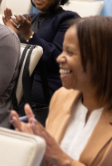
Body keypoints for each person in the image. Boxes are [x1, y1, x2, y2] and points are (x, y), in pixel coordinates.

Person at [10, 16, 112, 166]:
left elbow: (57, 158)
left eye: (70, 53)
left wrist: (62, 159)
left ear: (100, 60)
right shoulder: (62, 97)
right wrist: (34, 147)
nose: (59, 59)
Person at [2, 0, 81, 110]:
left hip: (46, 86)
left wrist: (29, 35)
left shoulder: (68, 19)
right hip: (19, 80)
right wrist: (10, 33)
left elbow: (57, 59)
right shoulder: (29, 19)